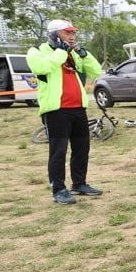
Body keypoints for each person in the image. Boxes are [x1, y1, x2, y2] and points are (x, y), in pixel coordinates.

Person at [26, 19, 103, 205]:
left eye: (73, 33)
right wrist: (61, 51)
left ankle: (79, 183)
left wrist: (83, 54)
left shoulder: (72, 54)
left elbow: (96, 70)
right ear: (54, 34)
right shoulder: (37, 51)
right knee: (58, 152)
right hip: (56, 110)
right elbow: (42, 68)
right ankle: (58, 189)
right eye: (67, 33)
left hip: (78, 108)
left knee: (82, 148)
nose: (72, 36)